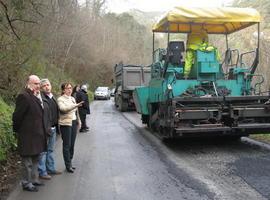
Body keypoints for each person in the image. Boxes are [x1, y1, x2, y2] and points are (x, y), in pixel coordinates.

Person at [12, 75, 47, 192]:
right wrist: (18, 131)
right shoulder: (23, 96)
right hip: (27, 136)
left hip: (37, 135)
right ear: (28, 83)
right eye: (36, 83)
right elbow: (17, 117)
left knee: (36, 160)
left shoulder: (35, 96)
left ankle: (34, 180)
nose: (38, 86)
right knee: (27, 162)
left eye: (38, 84)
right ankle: (26, 183)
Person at [38, 79, 62, 180]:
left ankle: (50, 168)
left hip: (53, 128)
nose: (47, 87)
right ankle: (42, 172)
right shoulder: (40, 98)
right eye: (44, 86)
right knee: (43, 151)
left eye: (48, 85)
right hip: (45, 129)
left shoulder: (52, 97)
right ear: (41, 88)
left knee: (50, 150)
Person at [57, 83, 83, 173]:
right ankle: (67, 165)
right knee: (66, 145)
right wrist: (75, 105)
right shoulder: (60, 99)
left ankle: (70, 162)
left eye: (70, 88)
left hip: (74, 122)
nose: (69, 90)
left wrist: (79, 121)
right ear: (63, 90)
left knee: (72, 144)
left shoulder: (72, 98)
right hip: (66, 124)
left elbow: (76, 112)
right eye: (67, 88)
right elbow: (63, 109)